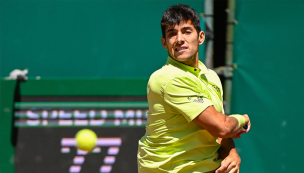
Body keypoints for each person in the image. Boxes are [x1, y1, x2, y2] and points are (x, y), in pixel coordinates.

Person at [137, 4, 251, 173]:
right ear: (164, 43)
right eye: (172, 34)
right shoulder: (167, 78)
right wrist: (242, 119)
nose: (179, 39)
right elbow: (222, 127)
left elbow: (218, 131)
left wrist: (231, 152)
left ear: (201, 37)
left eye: (186, 31)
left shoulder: (211, 76)